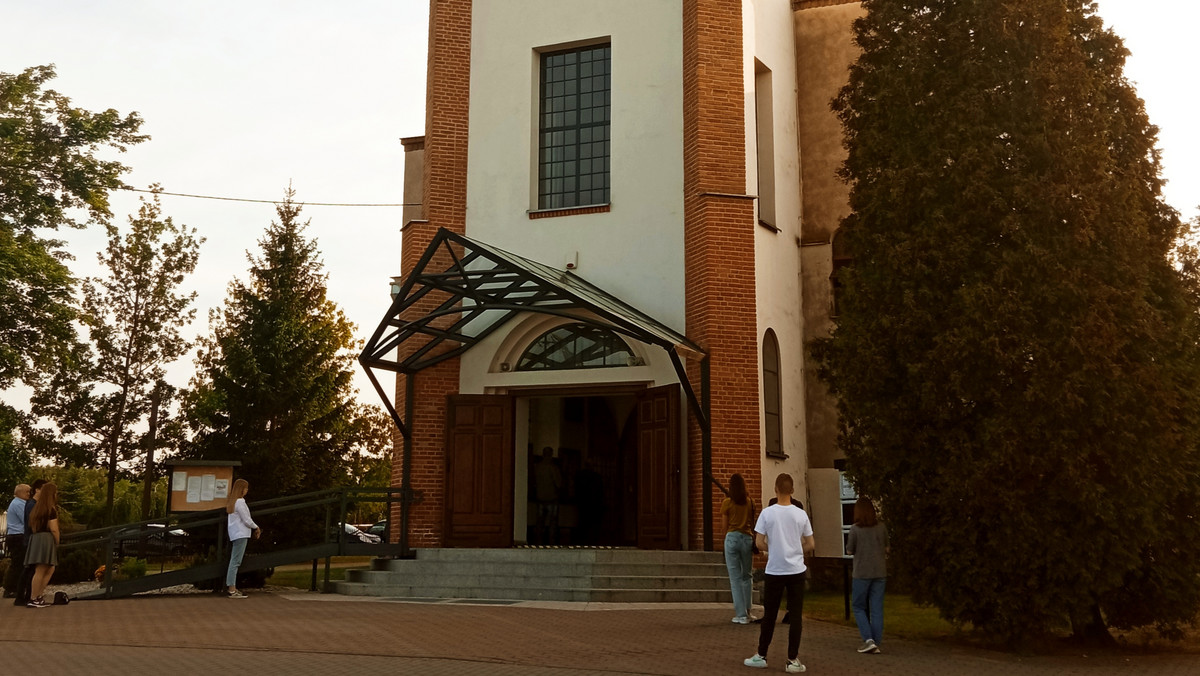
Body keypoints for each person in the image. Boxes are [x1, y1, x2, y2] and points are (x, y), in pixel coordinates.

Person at [744, 473, 814, 673]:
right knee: (796, 616)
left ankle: (761, 654)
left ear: (776, 489)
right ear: (792, 491)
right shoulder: (801, 514)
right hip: (796, 570)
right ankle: (792, 659)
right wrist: (796, 549)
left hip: (775, 569)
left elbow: (758, 542)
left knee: (770, 614)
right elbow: (810, 544)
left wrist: (773, 548)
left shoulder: (767, 513)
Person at [846, 496, 888, 654]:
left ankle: (868, 639)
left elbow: (850, 550)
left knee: (858, 606)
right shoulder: (881, 527)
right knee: (876, 608)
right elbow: (887, 548)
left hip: (862, 572)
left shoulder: (855, 529)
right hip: (879, 571)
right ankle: (876, 641)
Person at [721, 473, 756, 624]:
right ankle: (748, 611)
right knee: (747, 576)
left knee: (734, 578)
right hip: (747, 538)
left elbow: (724, 526)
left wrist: (726, 539)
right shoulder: (750, 502)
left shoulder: (727, 503)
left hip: (732, 537)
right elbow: (752, 522)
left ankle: (740, 614)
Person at [24, 482, 60, 608]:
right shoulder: (50, 509)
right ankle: (34, 597)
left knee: (49, 568)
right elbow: (54, 528)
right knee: (41, 569)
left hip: (36, 538)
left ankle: (38, 596)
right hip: (45, 539)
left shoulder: (36, 508)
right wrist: (57, 541)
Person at [225, 479, 261, 598]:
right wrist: (256, 527)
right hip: (241, 533)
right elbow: (246, 519)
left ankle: (232, 587)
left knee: (234, 560)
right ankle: (232, 589)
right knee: (236, 561)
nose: (247, 490)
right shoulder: (240, 502)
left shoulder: (233, 502)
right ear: (241, 489)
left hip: (235, 533)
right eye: (245, 488)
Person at [14, 479, 46, 606]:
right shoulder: (31, 504)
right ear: (38, 489)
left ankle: (24, 596)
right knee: (29, 568)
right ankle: (24, 596)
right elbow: (32, 523)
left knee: (29, 568)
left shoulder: (30, 504)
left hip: (29, 538)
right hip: (30, 539)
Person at [4, 484, 30, 598]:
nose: (29, 494)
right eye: (27, 492)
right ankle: (11, 588)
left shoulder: (17, 503)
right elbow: (26, 520)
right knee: (18, 563)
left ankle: (13, 587)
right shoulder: (19, 504)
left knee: (18, 563)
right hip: (17, 536)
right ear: (20, 492)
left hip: (15, 536)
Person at [532, 447, 562, 545]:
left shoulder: (537, 467)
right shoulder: (553, 467)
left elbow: (534, 482)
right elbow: (558, 483)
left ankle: (538, 542)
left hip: (540, 497)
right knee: (552, 522)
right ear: (551, 454)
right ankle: (551, 543)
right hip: (551, 498)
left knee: (540, 522)